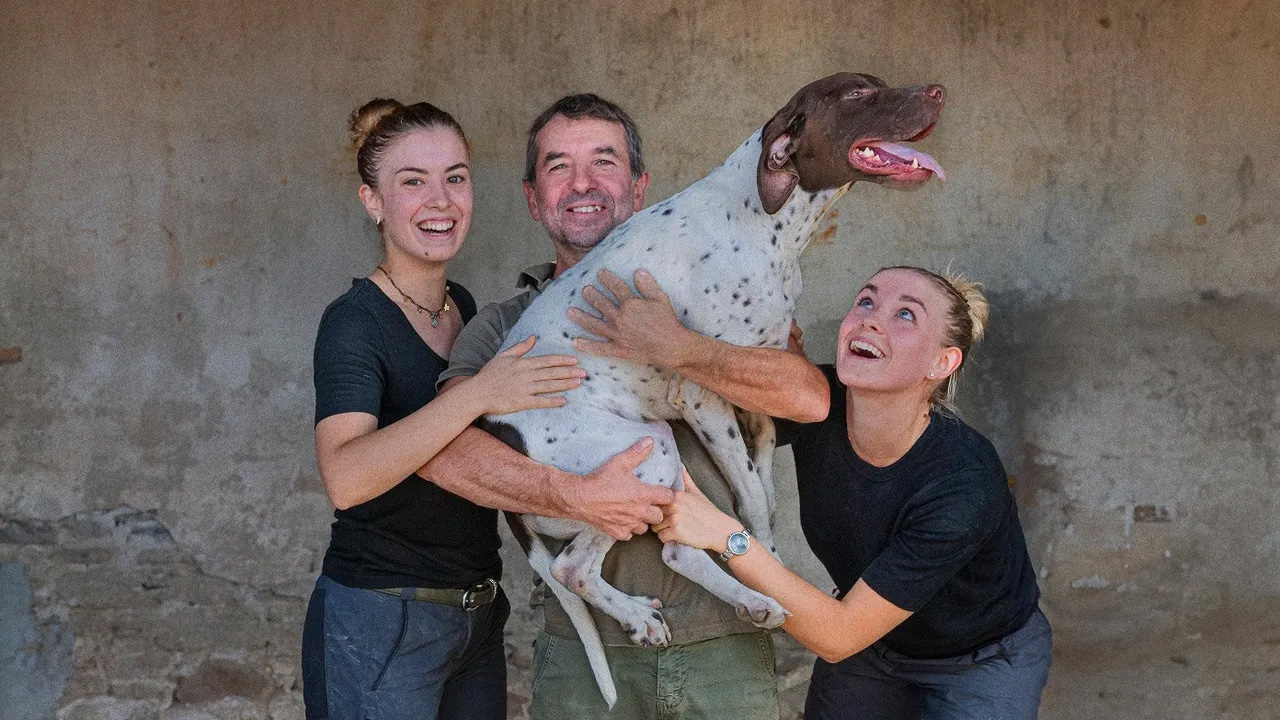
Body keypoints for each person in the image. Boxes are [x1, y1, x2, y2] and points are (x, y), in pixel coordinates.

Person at [421, 93, 829, 720]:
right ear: (533, 198)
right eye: (558, 166)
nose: (582, 183)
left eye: (604, 162)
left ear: (640, 189)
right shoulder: (505, 326)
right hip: (584, 659)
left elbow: (808, 400)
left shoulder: (715, 295)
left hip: (727, 642)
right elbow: (446, 457)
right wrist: (577, 496)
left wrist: (679, 346)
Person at [302, 98, 600, 720]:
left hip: (475, 615)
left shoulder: (461, 306)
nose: (440, 200)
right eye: (413, 182)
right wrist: (479, 393)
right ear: (373, 201)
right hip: (381, 618)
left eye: (455, 178)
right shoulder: (354, 322)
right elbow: (346, 477)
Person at [653, 266, 1052, 719]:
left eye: (906, 314)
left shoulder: (962, 482)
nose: (872, 319)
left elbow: (838, 636)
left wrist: (726, 537)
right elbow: (712, 403)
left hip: (980, 659)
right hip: (872, 649)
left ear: (942, 363)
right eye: (866, 301)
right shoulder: (817, 406)